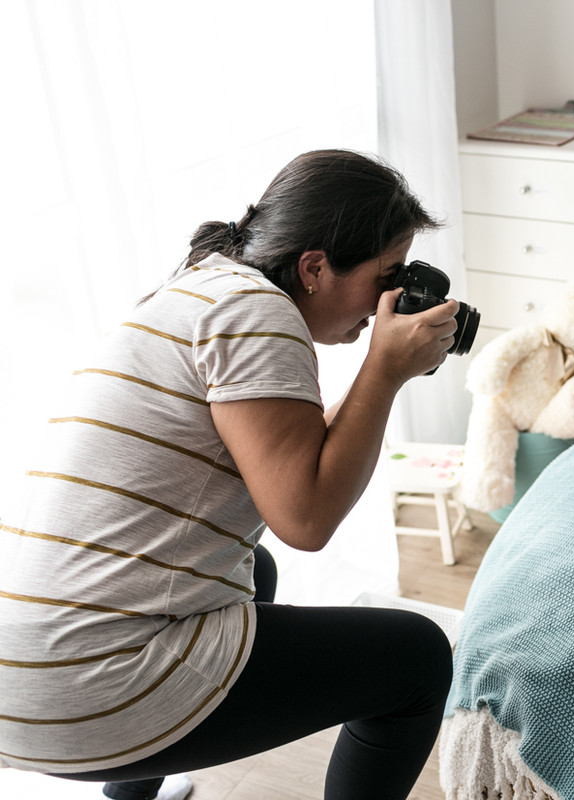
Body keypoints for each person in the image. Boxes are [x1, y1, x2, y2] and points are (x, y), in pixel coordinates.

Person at [0, 150, 461, 799]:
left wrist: (381, 371)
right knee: (415, 659)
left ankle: (132, 798)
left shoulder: (198, 290)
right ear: (314, 267)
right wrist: (382, 372)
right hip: (88, 693)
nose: (390, 299)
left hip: (21, 677)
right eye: (387, 275)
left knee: (254, 573)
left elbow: (286, 454)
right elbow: (305, 518)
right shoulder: (258, 314)